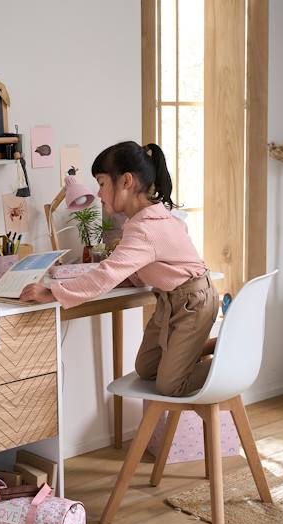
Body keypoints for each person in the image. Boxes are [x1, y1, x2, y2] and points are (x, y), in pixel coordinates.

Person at [20, 141, 219, 396]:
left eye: (102, 184)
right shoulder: (146, 220)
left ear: (126, 181)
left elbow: (106, 274)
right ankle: (197, 350)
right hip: (172, 300)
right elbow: (133, 267)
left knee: (170, 385)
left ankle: (225, 357)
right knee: (147, 368)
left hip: (193, 302)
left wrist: (51, 293)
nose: (99, 193)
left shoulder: (145, 229)